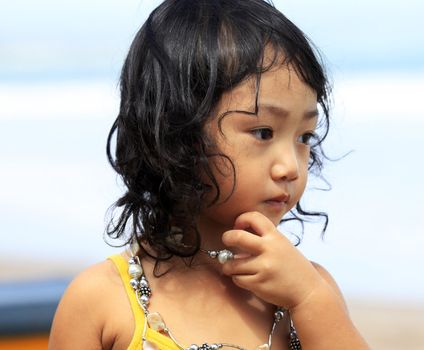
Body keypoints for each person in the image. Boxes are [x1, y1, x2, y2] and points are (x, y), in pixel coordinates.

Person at [49, 0, 369, 349]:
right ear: (174, 133)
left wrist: (310, 301)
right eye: (263, 132)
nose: (291, 167)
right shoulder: (100, 301)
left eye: (304, 137)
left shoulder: (309, 291)